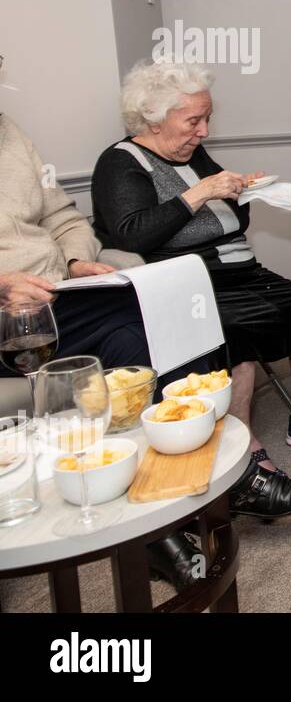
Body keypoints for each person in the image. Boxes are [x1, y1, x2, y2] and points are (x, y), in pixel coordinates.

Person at [92, 59, 291, 523]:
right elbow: (132, 234)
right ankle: (243, 448)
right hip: (190, 280)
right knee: (233, 330)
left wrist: (240, 194)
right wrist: (200, 194)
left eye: (206, 117)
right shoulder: (121, 162)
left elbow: (231, 221)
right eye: (193, 120)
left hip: (242, 271)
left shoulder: (191, 153)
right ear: (153, 118)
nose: (204, 131)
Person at [0, 108, 216, 590]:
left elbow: (62, 216)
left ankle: (174, 492)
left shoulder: (11, 132)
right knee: (132, 329)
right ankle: (159, 536)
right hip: (5, 309)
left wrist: (75, 260)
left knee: (161, 315)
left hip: (53, 295)